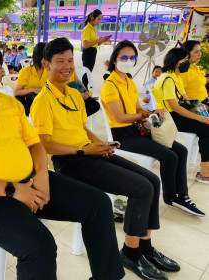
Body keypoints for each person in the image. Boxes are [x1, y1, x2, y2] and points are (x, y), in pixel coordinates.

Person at [0, 36, 125, 280]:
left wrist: (41, 176)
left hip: (30, 181)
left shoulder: (11, 104)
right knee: (39, 245)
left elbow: (35, 145)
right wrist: (13, 191)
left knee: (98, 204)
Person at [31, 36, 181, 280]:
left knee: (152, 181)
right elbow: (45, 145)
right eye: (60, 61)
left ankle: (145, 247)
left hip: (91, 152)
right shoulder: (42, 101)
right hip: (71, 162)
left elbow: (82, 128)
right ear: (47, 64)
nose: (68, 66)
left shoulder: (72, 93)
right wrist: (84, 150)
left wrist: (99, 143)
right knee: (141, 188)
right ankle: (131, 253)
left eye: (70, 60)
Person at [100, 40, 204, 216]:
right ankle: (171, 197)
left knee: (181, 150)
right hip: (123, 136)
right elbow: (120, 117)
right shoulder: (110, 85)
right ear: (115, 60)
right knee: (169, 156)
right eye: (124, 57)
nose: (128, 60)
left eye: (132, 57)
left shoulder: (128, 81)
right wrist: (143, 116)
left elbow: (138, 108)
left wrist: (152, 111)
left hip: (137, 129)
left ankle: (183, 195)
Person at [153, 47, 209, 185]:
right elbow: (175, 107)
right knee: (207, 129)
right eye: (185, 60)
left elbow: (186, 100)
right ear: (177, 62)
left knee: (206, 130)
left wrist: (200, 109)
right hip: (170, 118)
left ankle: (205, 170)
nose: (188, 63)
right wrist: (201, 118)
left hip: (177, 115)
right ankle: (205, 172)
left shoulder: (176, 77)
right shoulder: (167, 79)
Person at [81, 9, 110, 88]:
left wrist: (102, 40)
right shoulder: (87, 29)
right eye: (98, 19)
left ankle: (85, 88)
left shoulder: (93, 28)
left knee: (89, 72)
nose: (99, 21)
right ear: (93, 18)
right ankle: (84, 89)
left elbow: (96, 44)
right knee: (86, 72)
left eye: (100, 19)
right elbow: (85, 45)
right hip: (88, 52)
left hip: (93, 51)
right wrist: (98, 40)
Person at [180, 40, 209, 105]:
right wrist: (195, 106)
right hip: (196, 108)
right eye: (196, 52)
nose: (200, 54)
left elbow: (199, 82)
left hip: (204, 103)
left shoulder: (195, 67)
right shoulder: (184, 71)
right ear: (187, 53)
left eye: (200, 51)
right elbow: (180, 93)